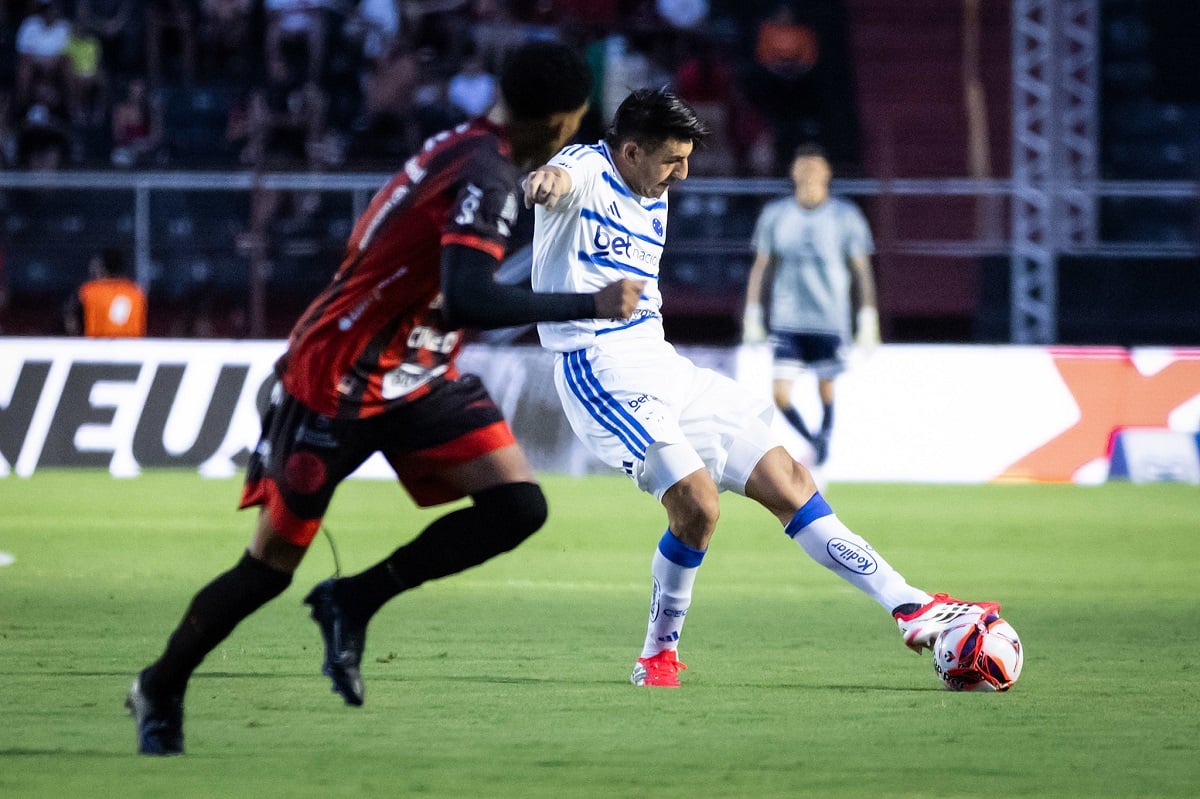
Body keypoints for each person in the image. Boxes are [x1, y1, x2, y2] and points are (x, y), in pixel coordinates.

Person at [127, 40, 642, 756]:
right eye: (574, 123)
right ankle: (160, 684)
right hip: (337, 378)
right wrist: (593, 302)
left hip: (415, 372)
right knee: (266, 572)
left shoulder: (466, 147)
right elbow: (465, 297)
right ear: (559, 121)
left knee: (517, 504)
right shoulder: (486, 174)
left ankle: (353, 599)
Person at [524, 87, 998, 688]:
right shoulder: (587, 169)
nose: (683, 172)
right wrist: (543, 183)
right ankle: (658, 655)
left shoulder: (655, 188)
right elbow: (555, 178)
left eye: (688, 158)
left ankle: (910, 606)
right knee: (697, 504)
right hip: (599, 369)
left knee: (791, 481)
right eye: (672, 158)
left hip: (664, 366)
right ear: (632, 150)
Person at [742, 142, 878, 466]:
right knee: (780, 393)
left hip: (830, 318)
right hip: (788, 319)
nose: (809, 174)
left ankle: (825, 436)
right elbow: (762, 266)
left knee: (826, 385)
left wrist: (868, 316)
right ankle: (813, 441)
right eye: (803, 167)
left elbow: (861, 270)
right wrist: (753, 313)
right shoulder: (776, 215)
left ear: (828, 172)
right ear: (793, 172)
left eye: (816, 167)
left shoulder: (846, 216)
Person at [63, 247, 147, 337]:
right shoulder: (137, 292)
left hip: (97, 347)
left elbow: (70, 314)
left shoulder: (88, 291)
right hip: (133, 347)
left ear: (102, 267)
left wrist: (75, 337)